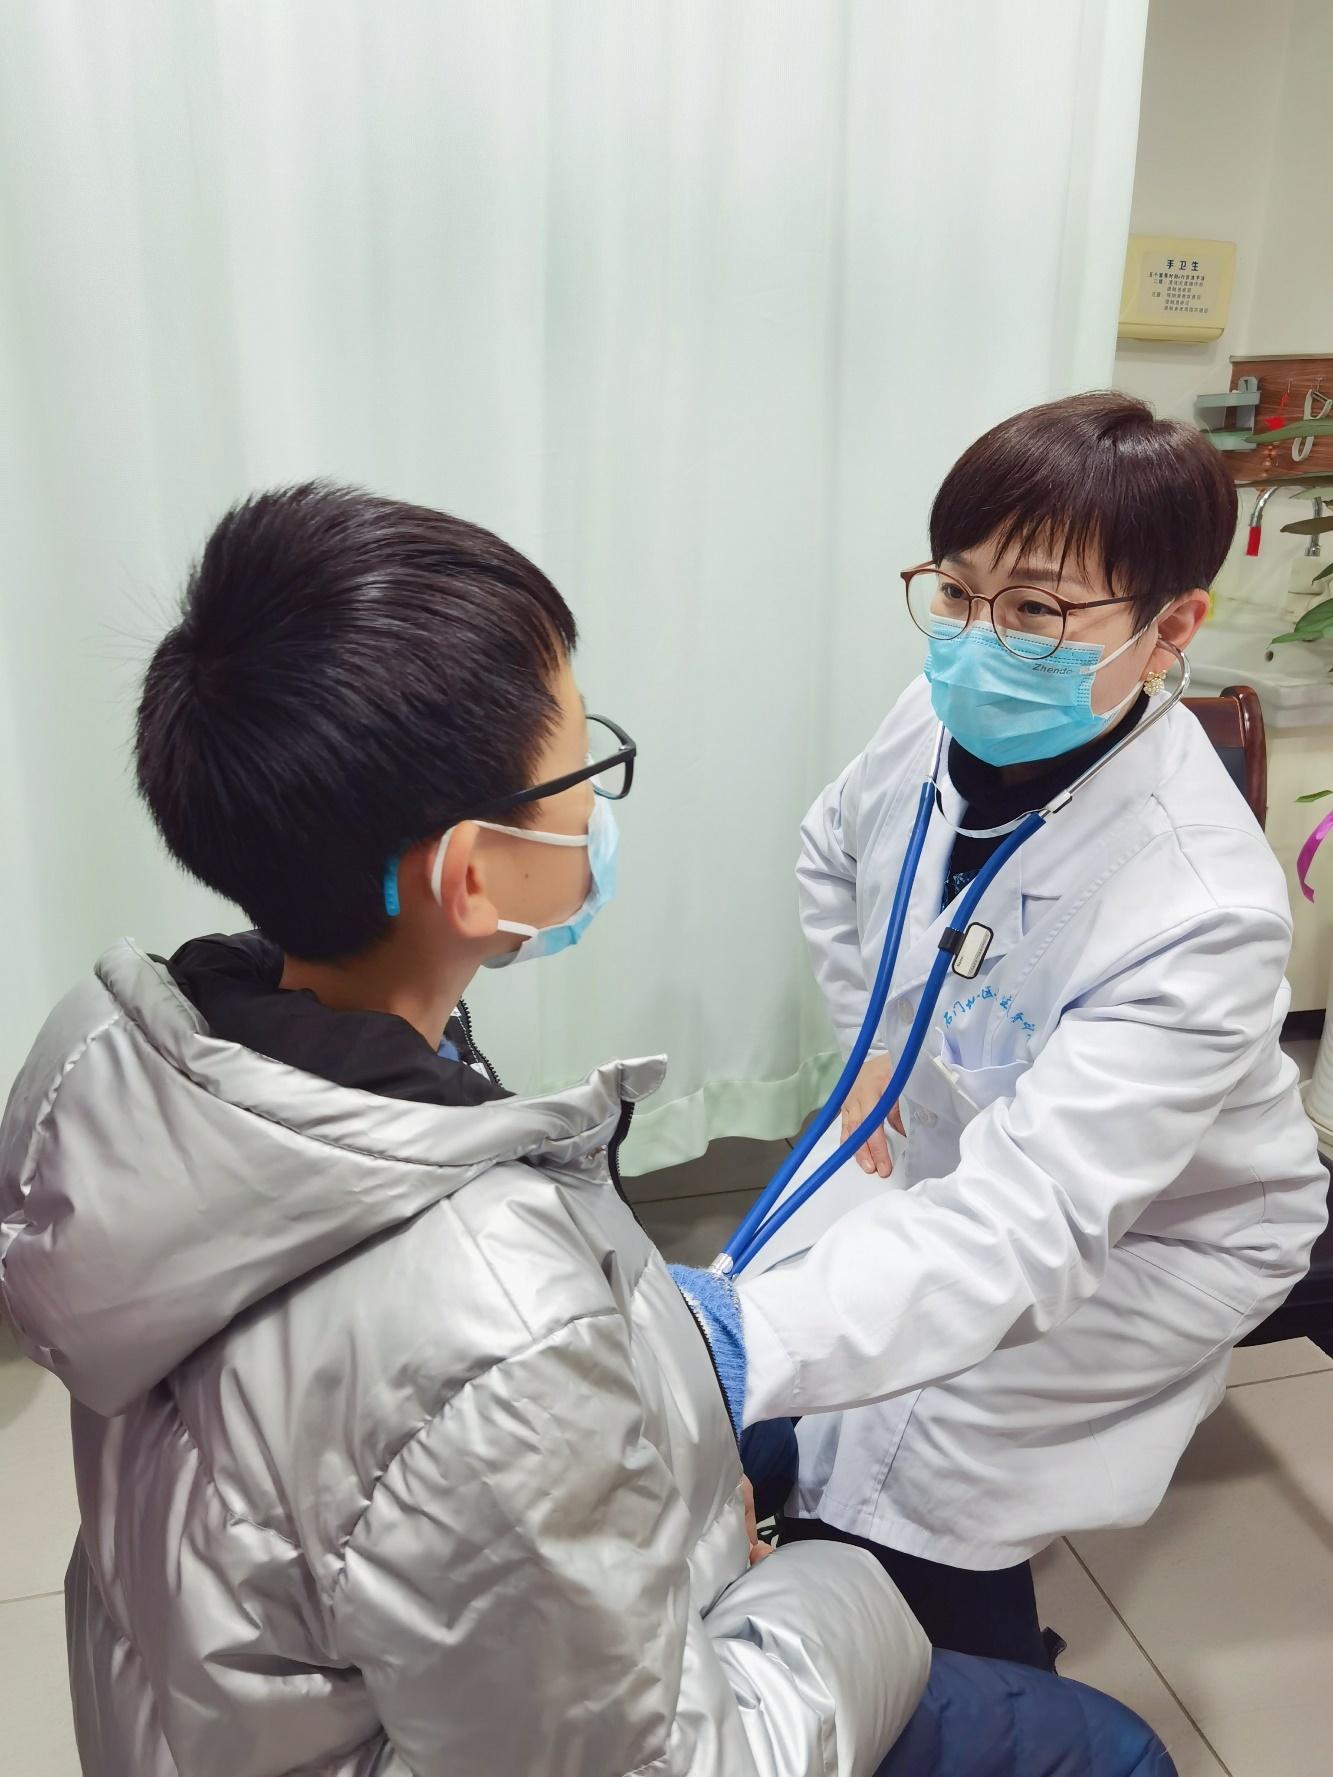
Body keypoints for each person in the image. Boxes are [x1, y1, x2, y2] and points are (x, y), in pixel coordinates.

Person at [0, 485, 930, 1776]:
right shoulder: (491, 1324)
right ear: (474, 876)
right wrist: (836, 1589)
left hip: (205, 1707)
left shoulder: (130, 1064)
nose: (597, 811)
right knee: (1087, 1742)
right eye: (581, 773)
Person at [728, 393, 1328, 1670]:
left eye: (1037, 610)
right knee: (789, 1304)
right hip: (960, 1133)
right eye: (956, 592)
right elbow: (831, 850)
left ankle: (978, 1680)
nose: (977, 640)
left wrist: (730, 1348)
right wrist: (869, 1054)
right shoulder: (934, 712)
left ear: (1171, 627)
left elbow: (1037, 1221)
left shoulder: (1201, 902)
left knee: (920, 1447)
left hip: (1164, 1230)